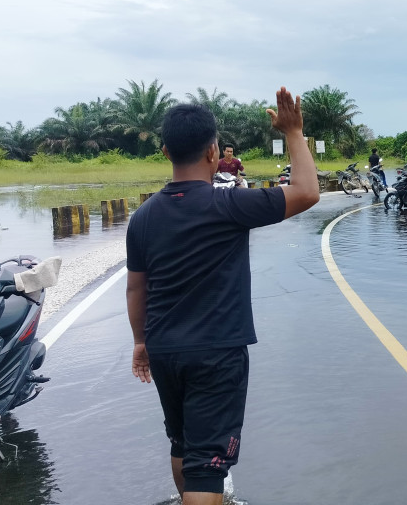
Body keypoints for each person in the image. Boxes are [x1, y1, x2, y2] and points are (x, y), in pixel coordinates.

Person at [126, 88, 320, 505]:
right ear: (214, 152)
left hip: (164, 349)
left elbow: (136, 287)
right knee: (207, 466)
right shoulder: (228, 204)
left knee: (181, 443)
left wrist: (141, 342)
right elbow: (306, 191)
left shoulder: (142, 217)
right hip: (216, 352)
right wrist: (294, 131)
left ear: (165, 151)